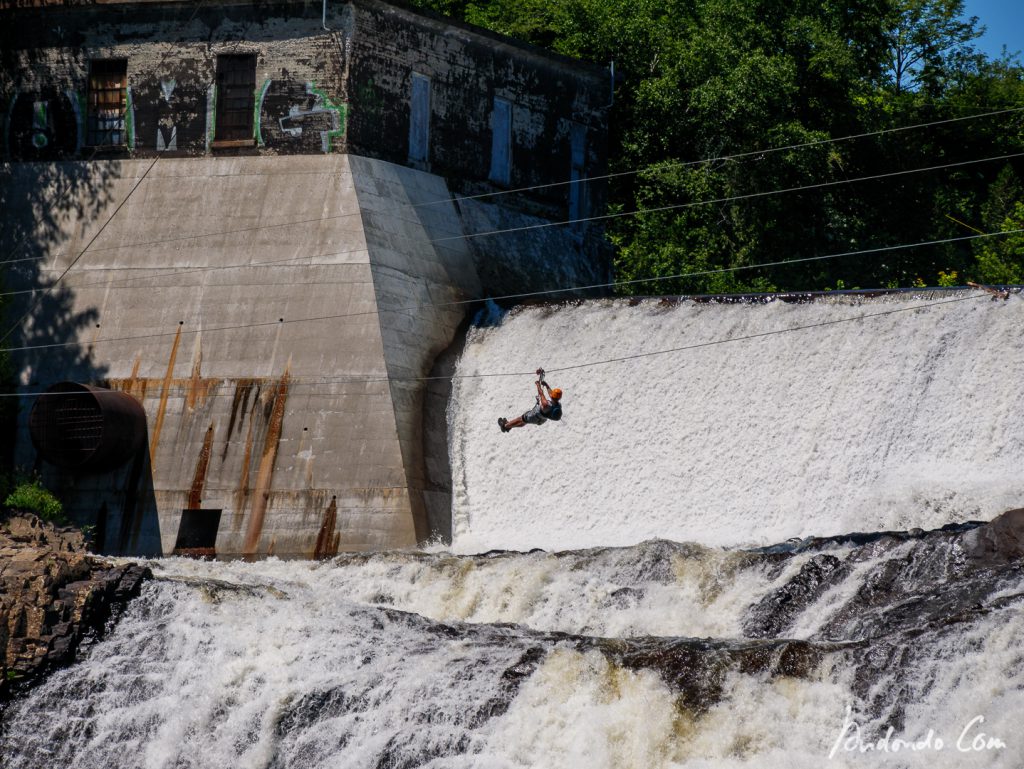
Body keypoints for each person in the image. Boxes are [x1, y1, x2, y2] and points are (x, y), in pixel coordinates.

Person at [499, 369, 563, 432]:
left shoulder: (546, 404)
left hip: (535, 415)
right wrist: (546, 385)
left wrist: (538, 385)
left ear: (553, 396)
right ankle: (509, 425)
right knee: (524, 421)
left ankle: (505, 426)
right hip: (542, 419)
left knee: (521, 419)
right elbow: (550, 393)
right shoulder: (558, 404)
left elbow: (541, 394)